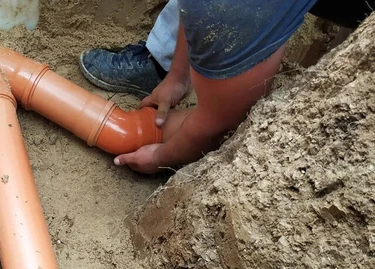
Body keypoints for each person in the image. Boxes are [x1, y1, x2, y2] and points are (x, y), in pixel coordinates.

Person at [79, 0, 374, 174]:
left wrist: (160, 158)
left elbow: (216, 123)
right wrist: (177, 77)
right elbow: (197, 10)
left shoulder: (236, 20)